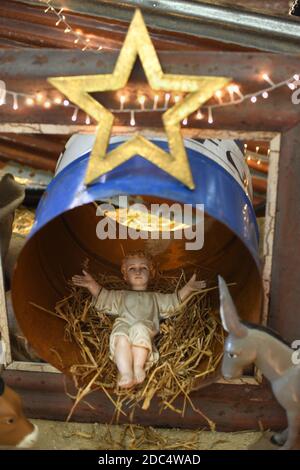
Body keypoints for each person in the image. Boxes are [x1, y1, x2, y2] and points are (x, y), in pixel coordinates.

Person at [72, 251, 206, 389]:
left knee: (140, 329)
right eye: (132, 269)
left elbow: (173, 301)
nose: (138, 271)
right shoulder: (122, 295)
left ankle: (138, 367)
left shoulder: (155, 297)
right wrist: (92, 285)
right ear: (125, 275)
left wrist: (188, 289)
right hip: (123, 325)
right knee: (120, 337)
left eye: (143, 268)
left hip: (145, 328)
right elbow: (105, 297)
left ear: (152, 273)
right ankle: (125, 372)